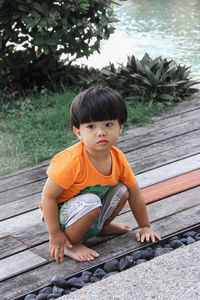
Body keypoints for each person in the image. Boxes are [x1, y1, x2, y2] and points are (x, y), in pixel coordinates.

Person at [41, 86, 161, 264]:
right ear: (78, 132)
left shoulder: (118, 159)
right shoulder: (72, 161)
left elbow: (135, 194)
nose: (101, 132)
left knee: (122, 190)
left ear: (120, 127)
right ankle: (70, 245)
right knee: (91, 201)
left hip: (90, 209)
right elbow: (48, 197)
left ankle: (100, 227)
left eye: (108, 124)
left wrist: (145, 227)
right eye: (91, 126)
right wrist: (55, 234)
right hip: (61, 217)